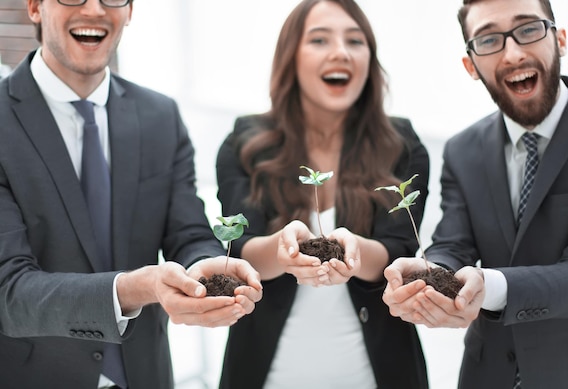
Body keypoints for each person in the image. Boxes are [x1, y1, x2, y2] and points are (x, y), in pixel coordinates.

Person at [0, 0, 263, 388]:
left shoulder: (161, 117)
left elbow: (187, 234)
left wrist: (206, 268)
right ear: (36, 7)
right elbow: (9, 291)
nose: (94, 9)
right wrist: (138, 288)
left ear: (131, 10)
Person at [382, 0, 568, 388]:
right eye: (489, 39)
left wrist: (488, 286)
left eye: (529, 29)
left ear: (559, 39)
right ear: (471, 66)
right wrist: (431, 277)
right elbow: (452, 244)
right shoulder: (463, 150)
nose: (513, 53)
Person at [215, 1, 431, 388]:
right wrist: (283, 250)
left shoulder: (401, 146)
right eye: (319, 39)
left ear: (370, 58)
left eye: (355, 40)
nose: (341, 52)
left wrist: (355, 253)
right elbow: (241, 251)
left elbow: (398, 250)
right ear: (290, 57)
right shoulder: (245, 144)